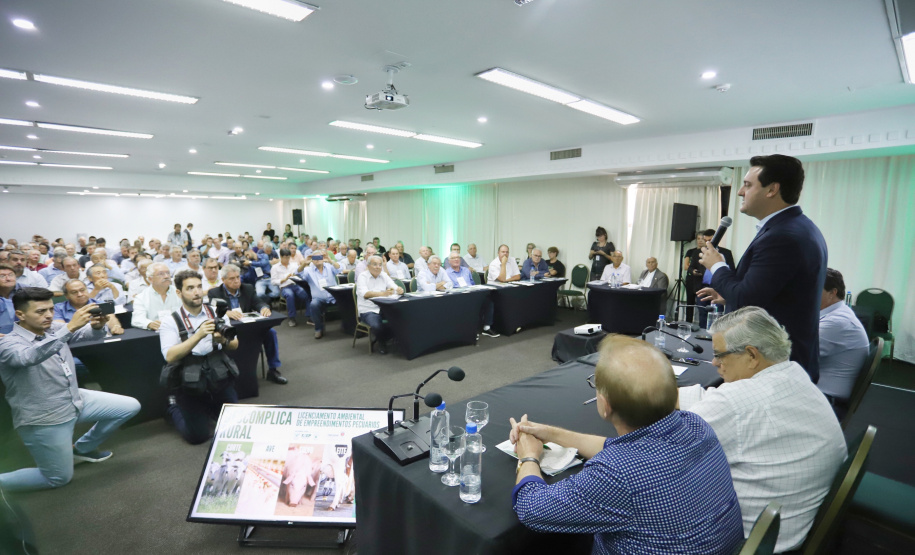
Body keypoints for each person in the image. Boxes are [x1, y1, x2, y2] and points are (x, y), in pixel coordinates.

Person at [509, 335, 743, 554]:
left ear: (604, 404)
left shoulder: (616, 474)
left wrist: (528, 456)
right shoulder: (695, 424)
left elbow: (531, 508)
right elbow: (615, 447)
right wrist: (552, 434)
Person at [678, 307, 846, 552]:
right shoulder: (793, 374)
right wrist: (660, 394)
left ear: (751, 355)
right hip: (787, 527)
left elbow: (661, 450)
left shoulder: (736, 403)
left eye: (720, 355)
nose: (715, 363)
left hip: (749, 543)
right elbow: (716, 402)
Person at [699, 154, 827, 382]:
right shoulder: (797, 226)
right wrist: (726, 293)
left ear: (772, 190)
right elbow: (769, 291)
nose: (740, 192)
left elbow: (747, 299)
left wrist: (716, 265)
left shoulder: (782, 236)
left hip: (775, 365)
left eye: (747, 185)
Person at [0, 288, 140, 491]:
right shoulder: (7, 343)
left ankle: (82, 448)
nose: (48, 315)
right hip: (45, 418)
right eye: (40, 311)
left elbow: (87, 335)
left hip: (75, 400)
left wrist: (98, 326)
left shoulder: (54, 329)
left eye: (50, 309)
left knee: (130, 406)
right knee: (58, 478)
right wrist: (70, 327)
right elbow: (29, 357)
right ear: (20, 314)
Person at [159, 270, 239, 445]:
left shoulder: (217, 312)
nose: (196, 292)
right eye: (190, 288)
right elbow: (170, 356)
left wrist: (223, 340)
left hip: (218, 374)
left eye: (198, 287)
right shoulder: (170, 321)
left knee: (235, 429)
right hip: (189, 379)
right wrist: (198, 335)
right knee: (198, 437)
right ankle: (173, 408)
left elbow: (235, 344)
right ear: (179, 292)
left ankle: (209, 408)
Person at [207, 264, 287, 385]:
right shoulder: (214, 293)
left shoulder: (247, 288)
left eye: (238, 277)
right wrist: (226, 313)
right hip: (229, 330)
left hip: (249, 328)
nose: (236, 281)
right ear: (223, 280)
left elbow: (258, 302)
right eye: (232, 278)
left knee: (271, 332)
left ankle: (273, 369)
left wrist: (264, 308)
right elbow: (211, 311)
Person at [817, 268, 869, 407]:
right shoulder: (837, 313)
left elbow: (795, 355)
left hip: (827, 400)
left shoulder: (837, 322)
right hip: (822, 393)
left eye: (814, 288)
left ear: (832, 293)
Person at [356, 256, 403, 355]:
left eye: (380, 265)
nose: (377, 267)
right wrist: (383, 294)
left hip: (383, 307)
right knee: (377, 326)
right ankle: (381, 342)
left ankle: (385, 337)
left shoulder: (384, 275)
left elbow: (393, 286)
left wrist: (399, 289)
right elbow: (365, 294)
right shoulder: (362, 276)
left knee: (401, 318)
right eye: (374, 264)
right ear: (368, 266)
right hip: (368, 309)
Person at [445, 252, 499, 337]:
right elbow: (448, 288)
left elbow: (472, 283)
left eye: (458, 257)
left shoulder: (466, 270)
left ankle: (486, 327)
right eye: (453, 258)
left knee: (488, 300)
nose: (456, 259)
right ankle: (469, 330)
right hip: (458, 296)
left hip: (472, 293)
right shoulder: (446, 273)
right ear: (449, 261)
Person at [53, 279, 124, 335]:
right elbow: (61, 329)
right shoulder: (58, 308)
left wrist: (116, 327)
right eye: (74, 292)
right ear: (66, 296)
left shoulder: (100, 303)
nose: (80, 294)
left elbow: (111, 319)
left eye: (82, 290)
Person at [300, 251, 339, 339]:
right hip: (319, 298)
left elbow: (339, 269)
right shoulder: (308, 270)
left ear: (323, 258)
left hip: (333, 296)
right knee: (313, 304)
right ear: (312, 260)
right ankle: (318, 329)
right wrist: (304, 264)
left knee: (348, 299)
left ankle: (349, 326)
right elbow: (298, 273)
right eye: (315, 258)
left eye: (319, 257)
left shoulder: (329, 267)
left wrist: (330, 260)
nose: (317, 260)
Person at [131, 262, 181, 330]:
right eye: (161, 274)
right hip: (155, 333)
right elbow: (137, 319)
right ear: (151, 279)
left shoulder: (180, 293)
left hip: (180, 330)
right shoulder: (141, 297)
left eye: (168, 273)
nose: (166, 276)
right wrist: (149, 323)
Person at [272, 248, 310, 327]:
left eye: (288, 257)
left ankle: (309, 315)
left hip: (295, 285)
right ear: (281, 257)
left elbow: (300, 273)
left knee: (306, 293)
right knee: (290, 295)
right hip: (284, 287)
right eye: (285, 257)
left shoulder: (294, 264)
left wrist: (296, 276)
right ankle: (292, 318)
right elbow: (273, 281)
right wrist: (283, 280)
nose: (287, 259)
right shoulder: (275, 267)